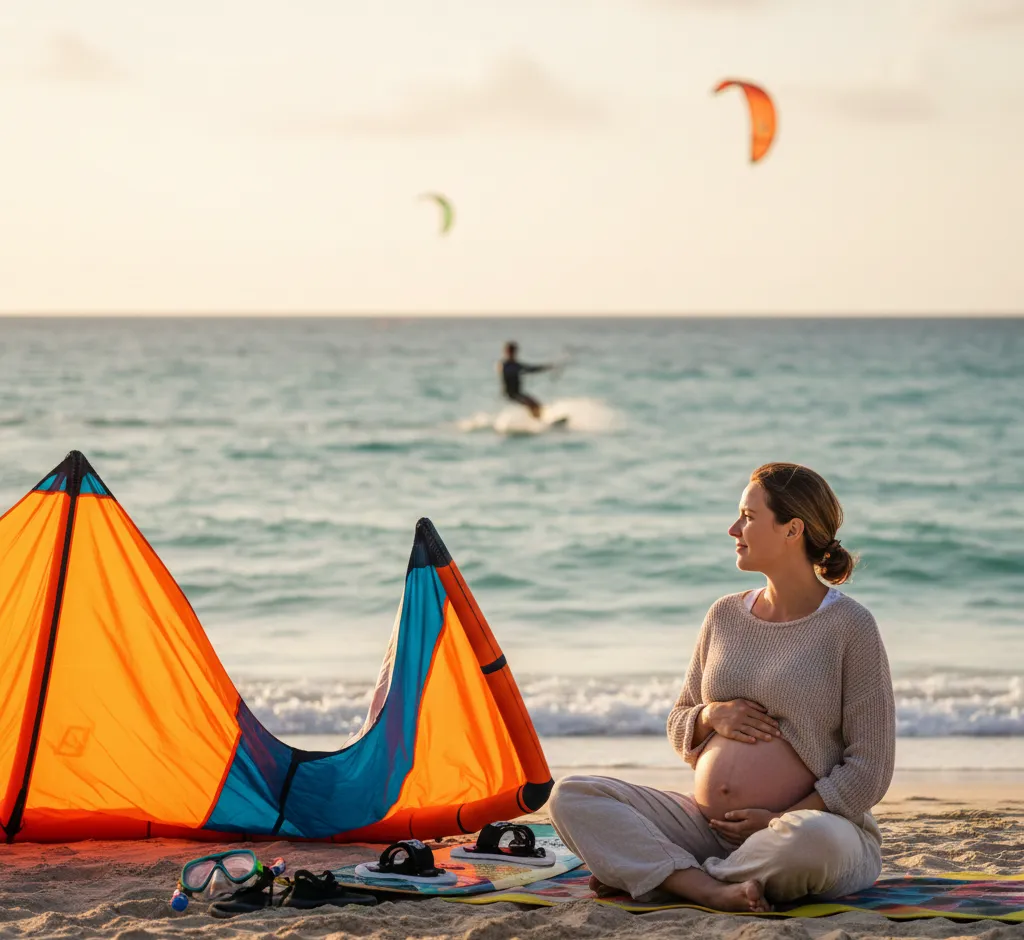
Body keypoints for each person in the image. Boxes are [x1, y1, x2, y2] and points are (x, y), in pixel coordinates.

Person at [549, 463, 895, 913]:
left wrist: (778, 819)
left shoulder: (851, 626)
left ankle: (667, 875)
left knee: (811, 845)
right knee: (573, 796)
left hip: (809, 828)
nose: (734, 529)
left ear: (793, 530)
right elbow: (679, 722)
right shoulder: (724, 615)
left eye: (748, 517)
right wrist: (711, 716)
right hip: (705, 827)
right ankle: (705, 885)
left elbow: (870, 766)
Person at [498, 341, 553, 419]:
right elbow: (505, 370)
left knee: (537, 405)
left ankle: (538, 421)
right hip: (510, 394)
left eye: (513, 352)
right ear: (506, 352)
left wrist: (546, 367)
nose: (512, 354)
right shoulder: (504, 365)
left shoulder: (516, 365)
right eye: (510, 352)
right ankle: (537, 422)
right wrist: (520, 370)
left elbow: (530, 369)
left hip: (518, 393)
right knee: (531, 404)